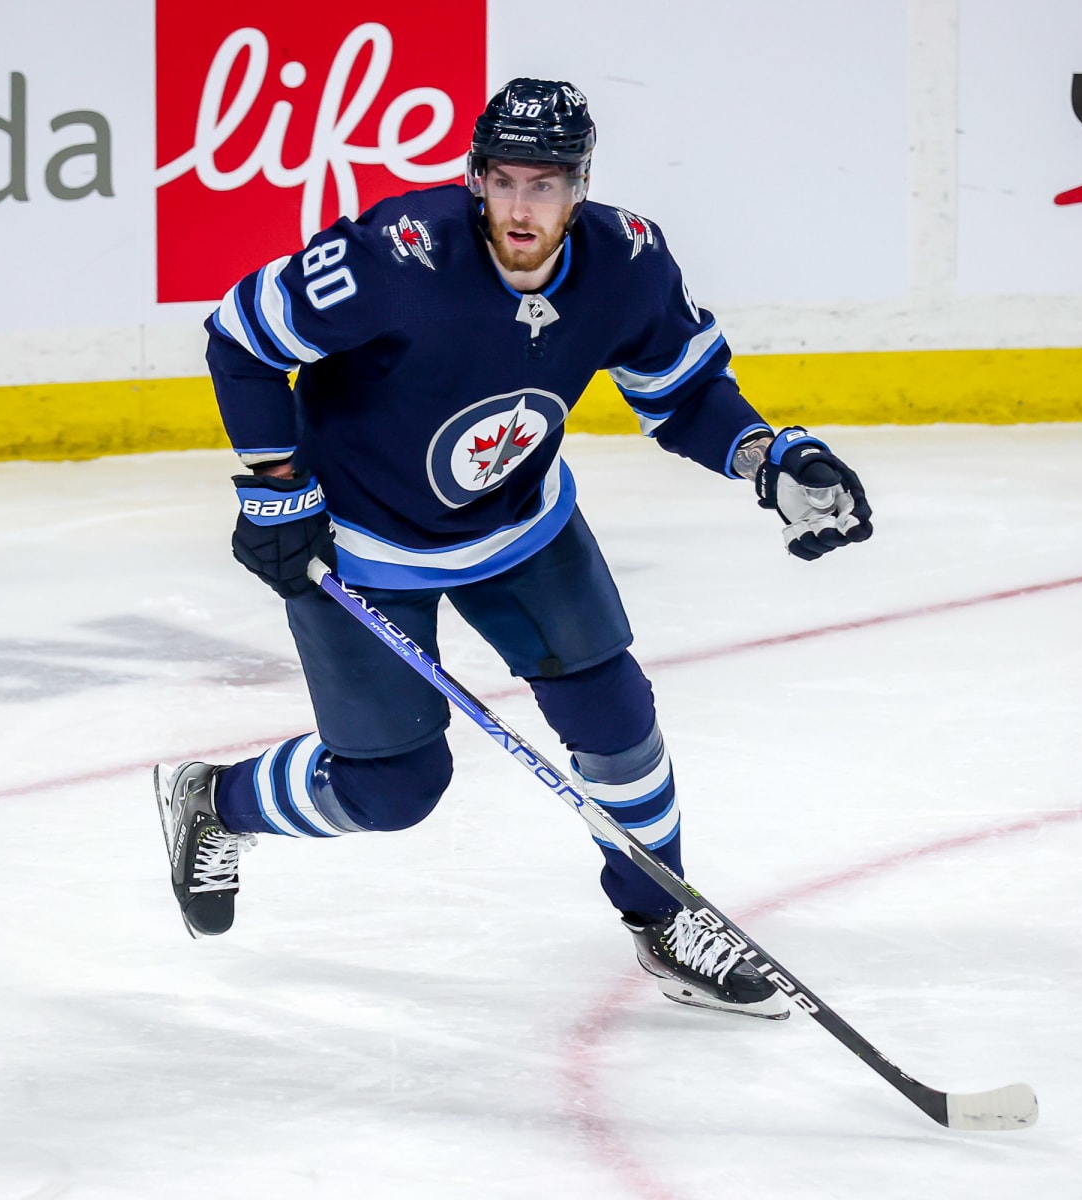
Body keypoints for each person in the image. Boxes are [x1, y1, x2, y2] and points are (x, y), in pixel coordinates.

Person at [154, 79, 871, 1019]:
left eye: (546, 184)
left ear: (581, 186)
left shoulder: (630, 264)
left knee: (616, 713)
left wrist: (769, 459)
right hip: (363, 546)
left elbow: (684, 392)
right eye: (504, 182)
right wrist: (276, 487)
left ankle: (664, 917)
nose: (522, 208)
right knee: (394, 786)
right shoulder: (392, 257)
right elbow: (243, 336)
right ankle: (218, 801)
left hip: (521, 526)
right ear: (474, 178)